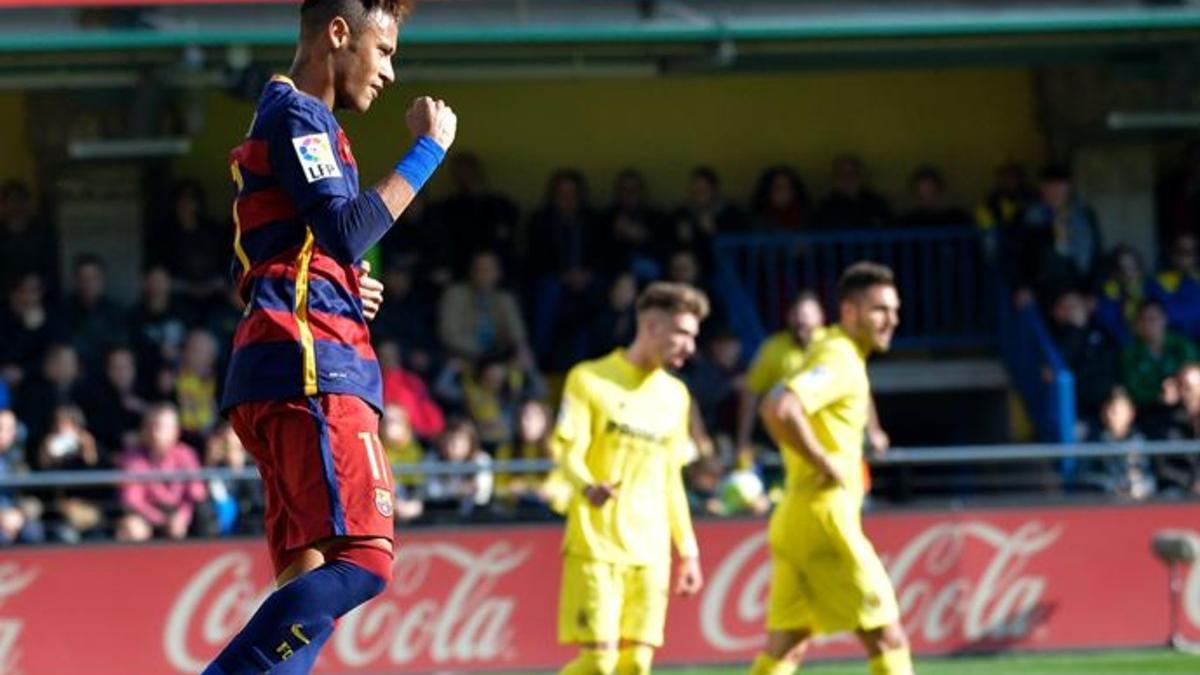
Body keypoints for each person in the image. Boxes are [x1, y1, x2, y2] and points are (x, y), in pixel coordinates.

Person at [204, 0, 457, 672]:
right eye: (385, 51)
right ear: (338, 35)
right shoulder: (297, 116)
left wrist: (346, 283)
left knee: (307, 572)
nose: (390, 73)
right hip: (311, 367)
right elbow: (348, 231)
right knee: (366, 561)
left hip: (280, 362)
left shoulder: (291, 122)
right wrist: (428, 150)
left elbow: (284, 251)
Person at [751, 262, 912, 675]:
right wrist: (822, 459)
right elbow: (779, 406)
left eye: (894, 310)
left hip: (796, 515)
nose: (891, 319)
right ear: (849, 311)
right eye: (879, 309)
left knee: (785, 648)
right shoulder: (839, 357)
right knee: (887, 639)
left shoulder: (842, 355)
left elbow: (775, 408)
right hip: (826, 517)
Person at [554, 281, 707, 675]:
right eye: (683, 334)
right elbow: (566, 448)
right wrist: (588, 485)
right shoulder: (589, 378)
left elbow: (672, 478)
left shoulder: (676, 396)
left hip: (651, 551)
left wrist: (687, 550)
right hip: (596, 545)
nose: (690, 346)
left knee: (637, 663)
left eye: (694, 336)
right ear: (652, 327)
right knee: (599, 662)